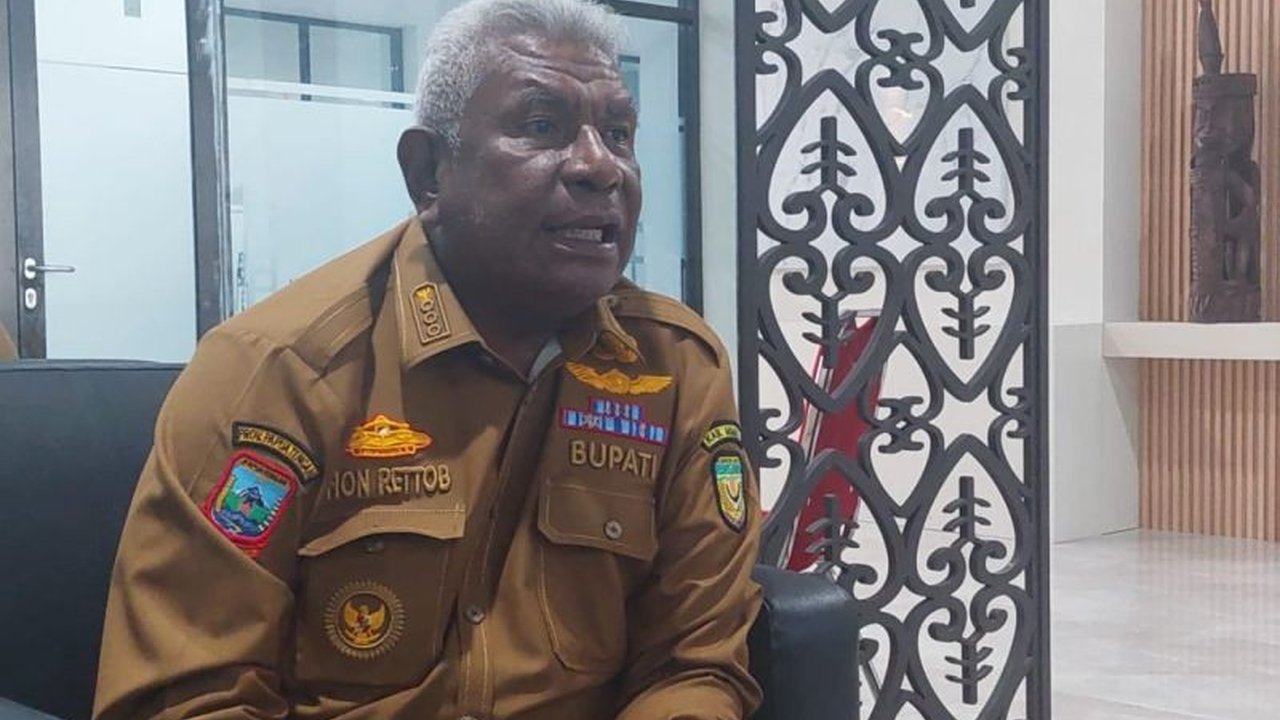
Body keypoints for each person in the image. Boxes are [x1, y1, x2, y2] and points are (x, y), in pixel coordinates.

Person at [92, 1, 762, 718]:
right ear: (429, 173)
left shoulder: (673, 370)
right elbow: (194, 697)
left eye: (620, 134)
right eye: (543, 126)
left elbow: (693, 663)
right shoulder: (282, 371)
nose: (601, 166)